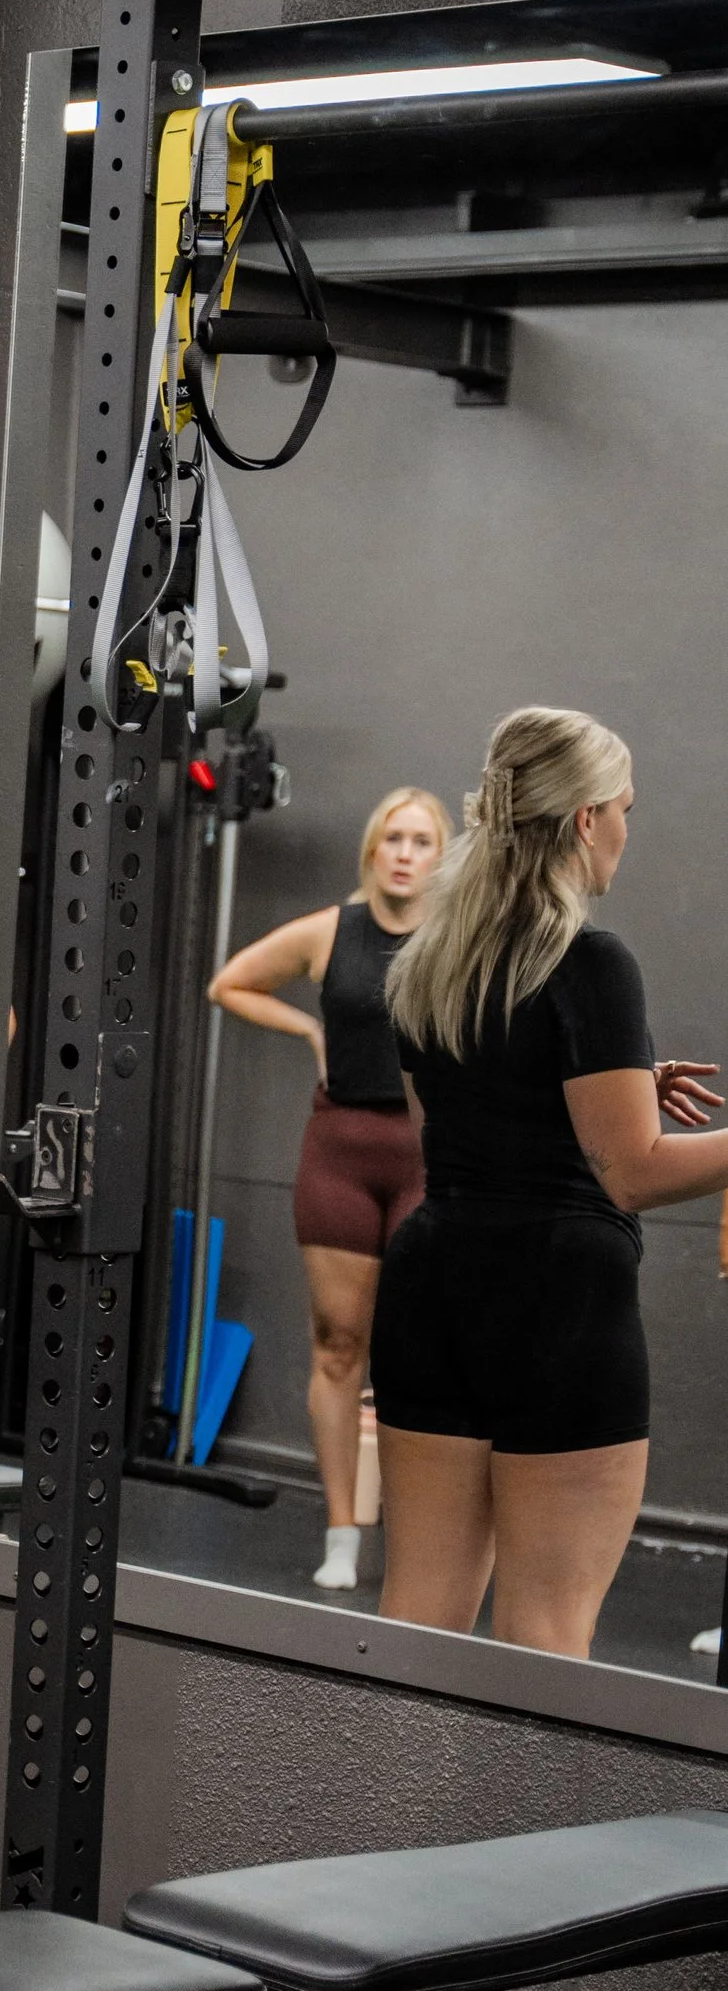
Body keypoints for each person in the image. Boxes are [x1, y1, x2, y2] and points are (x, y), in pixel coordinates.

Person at [372, 706, 728, 1658]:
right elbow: (635, 1174)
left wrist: (616, 1077)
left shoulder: (432, 966)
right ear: (582, 821)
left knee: (419, 1620)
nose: (625, 830)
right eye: (623, 808)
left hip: (432, 1283)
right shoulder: (594, 963)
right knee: (544, 1638)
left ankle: (375, 1813)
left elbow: (450, 1127)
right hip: (556, 1304)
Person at [207, 785, 451, 1588]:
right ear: (372, 850)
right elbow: (230, 983)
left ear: (439, 854)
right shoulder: (329, 932)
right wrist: (307, 1026)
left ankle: (418, 1536)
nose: (406, 854)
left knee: (420, 1355)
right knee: (339, 1345)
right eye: (394, 839)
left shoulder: (454, 941)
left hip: (426, 1160)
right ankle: (342, 1533)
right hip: (340, 1153)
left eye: (421, 841)